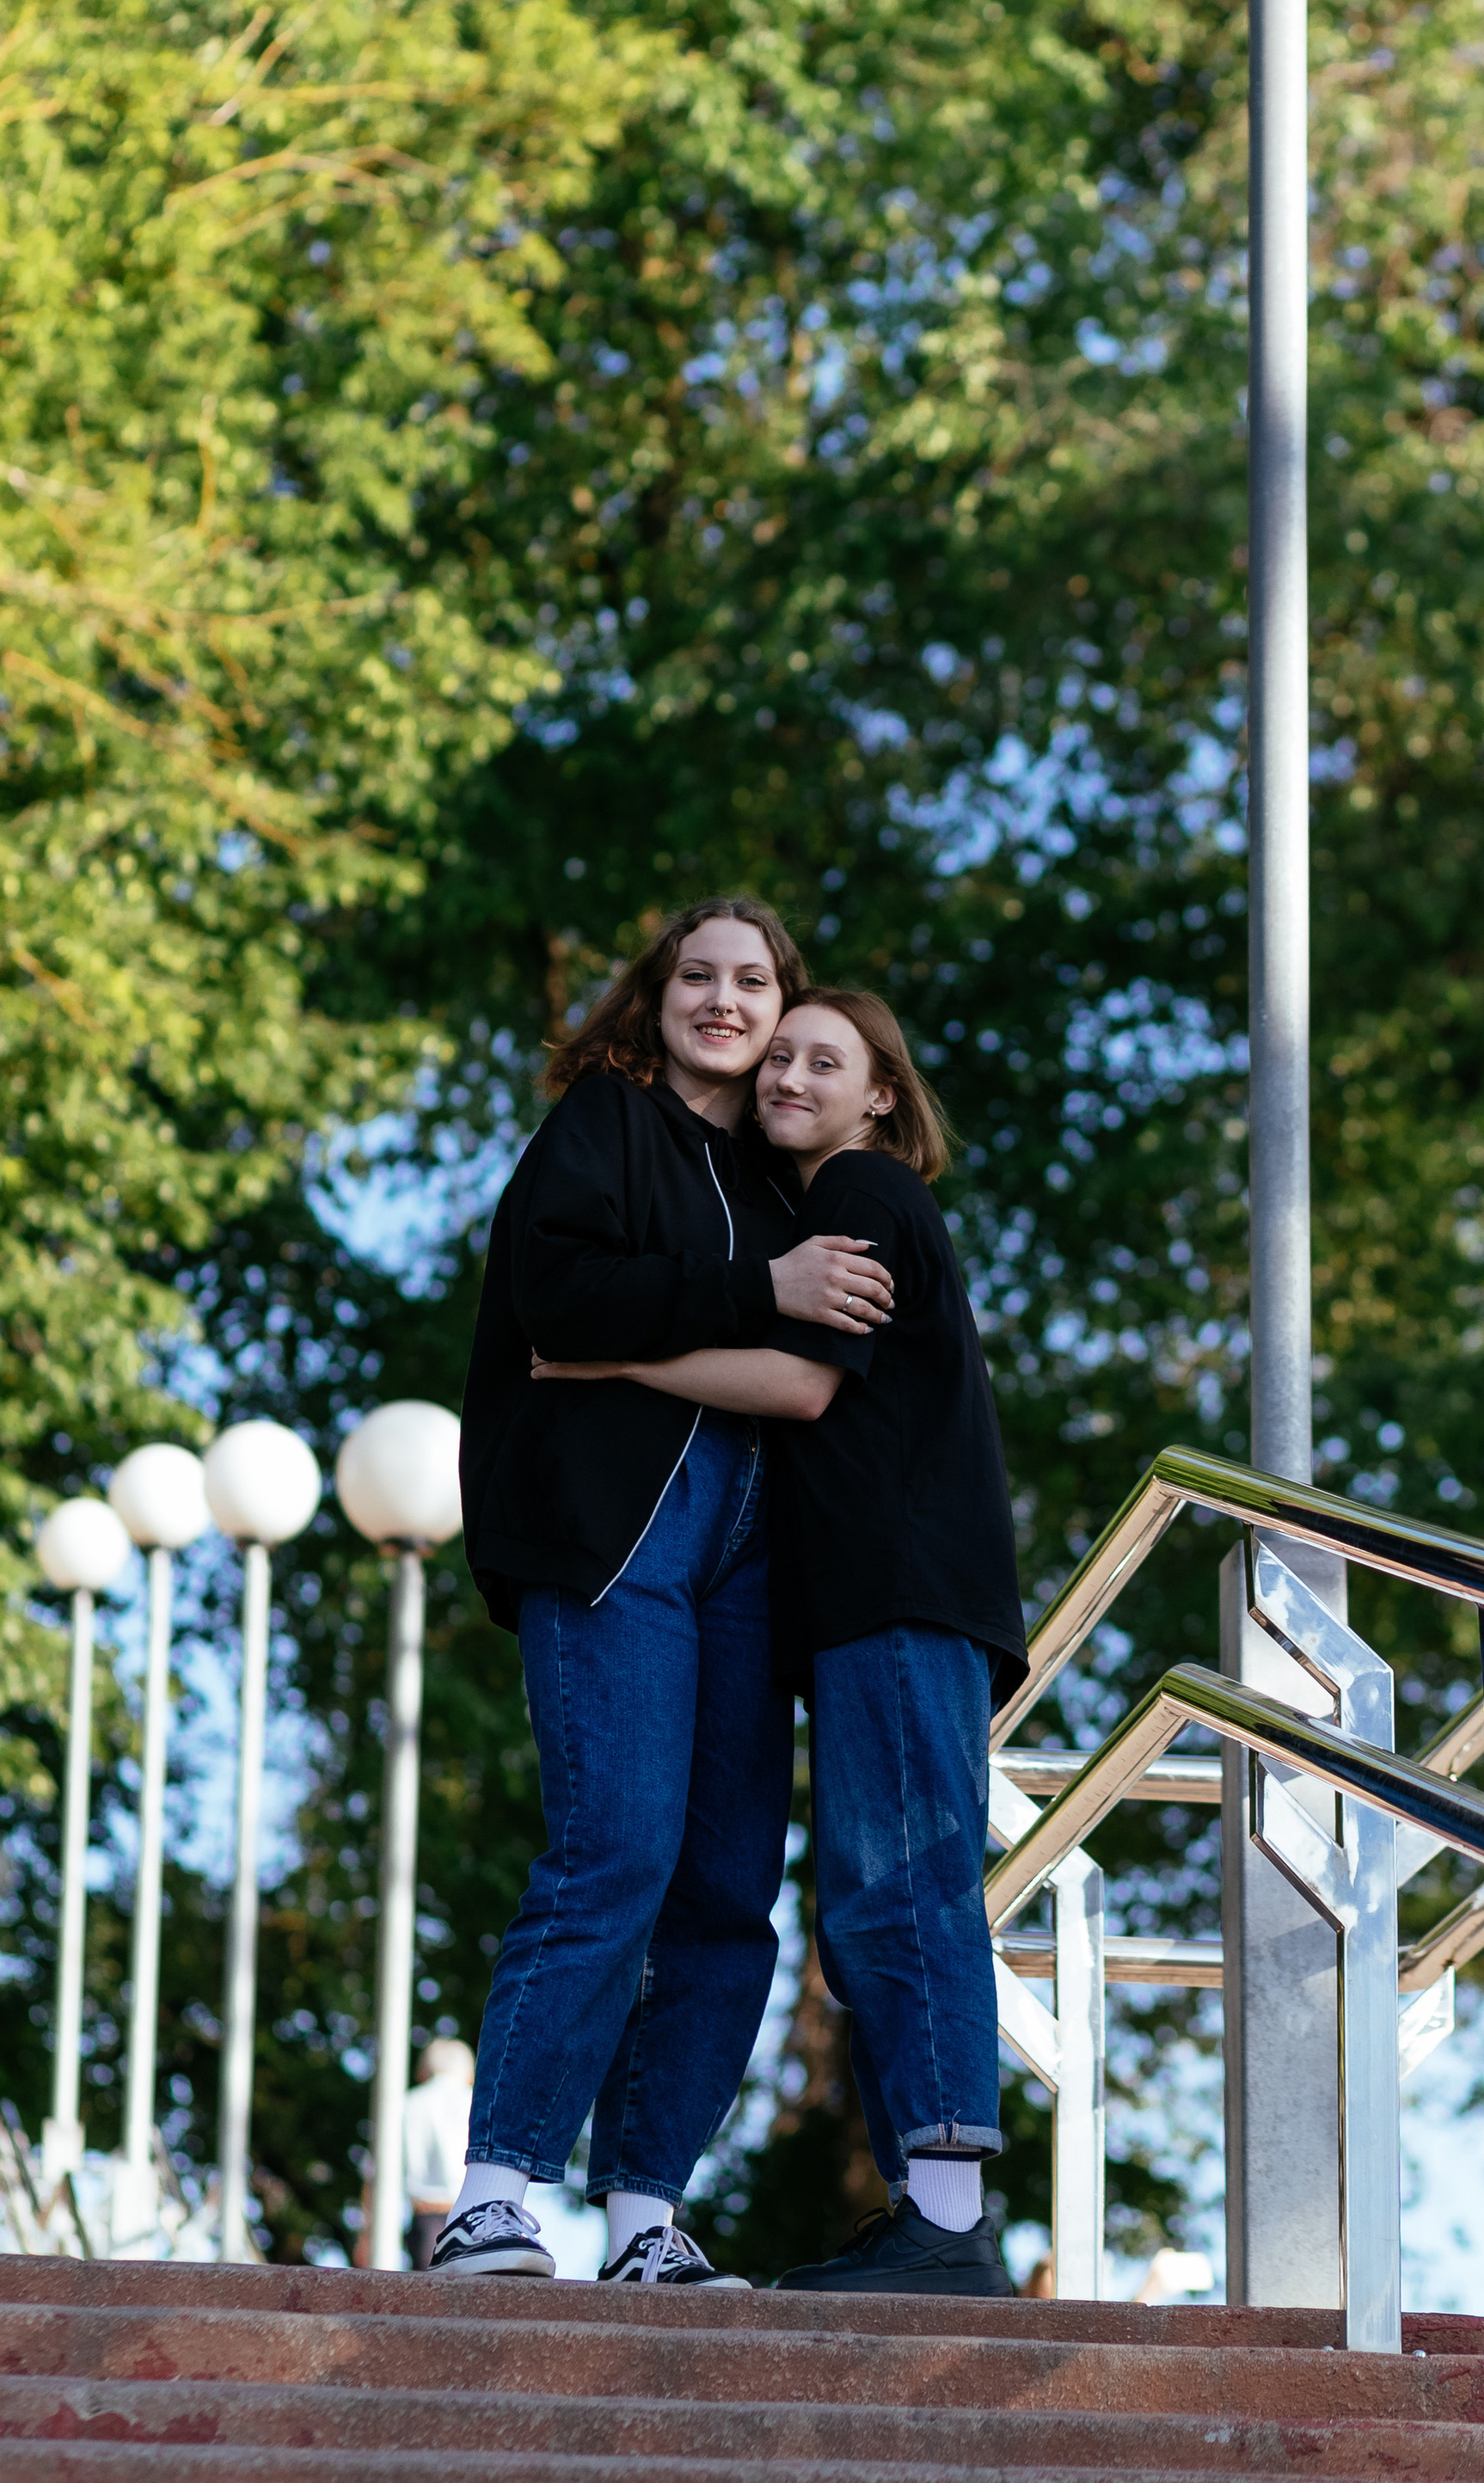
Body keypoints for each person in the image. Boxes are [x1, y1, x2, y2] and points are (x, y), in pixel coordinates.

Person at [431, 897, 898, 2293]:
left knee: (728, 1895)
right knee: (615, 1852)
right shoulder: (605, 1127)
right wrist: (759, 1287)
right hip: (618, 1540)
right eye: (697, 975)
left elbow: (810, 1378)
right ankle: (490, 2197)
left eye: (752, 981)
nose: (724, 999)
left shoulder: (788, 1174)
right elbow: (553, 1304)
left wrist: (652, 1342)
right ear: (658, 995)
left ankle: (646, 2214)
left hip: (756, 1565)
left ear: (782, 1010)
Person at [536, 987, 1026, 2297]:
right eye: (781, 1061)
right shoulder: (818, 1213)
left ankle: (949, 2216)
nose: (790, 1075)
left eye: (827, 1059)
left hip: (907, 1592)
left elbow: (802, 1383)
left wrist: (608, 1365)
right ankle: (929, 2201)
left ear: (881, 1095)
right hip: (874, 1602)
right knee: (868, 1888)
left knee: (903, 1880)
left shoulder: (864, 1190)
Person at [403, 2038, 475, 2271]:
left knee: (427, 2300)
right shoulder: (478, 2103)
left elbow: (377, 2172)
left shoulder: (408, 2103)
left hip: (426, 2217)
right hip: (475, 2218)